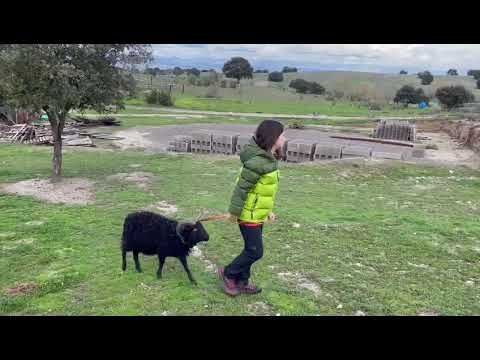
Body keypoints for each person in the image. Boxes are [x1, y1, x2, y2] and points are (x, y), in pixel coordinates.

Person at [218, 119, 286, 296]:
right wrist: (234, 213)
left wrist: (268, 211)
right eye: (282, 135)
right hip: (248, 216)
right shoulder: (257, 162)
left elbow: (262, 192)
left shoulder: (267, 160)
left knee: (251, 249)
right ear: (273, 138)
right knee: (255, 251)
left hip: (257, 214)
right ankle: (228, 273)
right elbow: (241, 189)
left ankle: (242, 281)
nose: (284, 138)